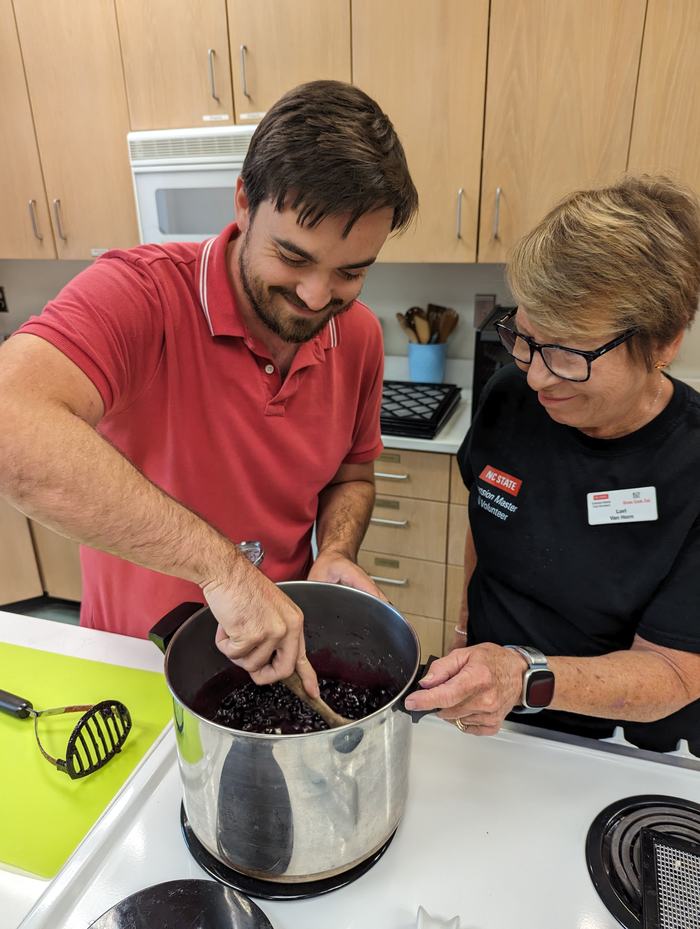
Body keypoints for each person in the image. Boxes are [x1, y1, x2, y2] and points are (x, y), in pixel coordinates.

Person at [0, 80, 418, 697]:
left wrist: (335, 552)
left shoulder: (357, 336)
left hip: (276, 653)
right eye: (293, 257)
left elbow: (350, 478)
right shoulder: (140, 295)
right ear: (245, 203)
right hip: (132, 663)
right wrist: (223, 570)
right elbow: (12, 422)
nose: (315, 298)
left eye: (350, 272)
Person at [405, 175, 700, 753]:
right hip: (493, 708)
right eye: (526, 336)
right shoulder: (511, 393)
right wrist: (466, 633)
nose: (536, 374)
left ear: (665, 343)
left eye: (569, 353)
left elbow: (672, 673)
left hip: (618, 742)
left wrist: (523, 676)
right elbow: (487, 519)